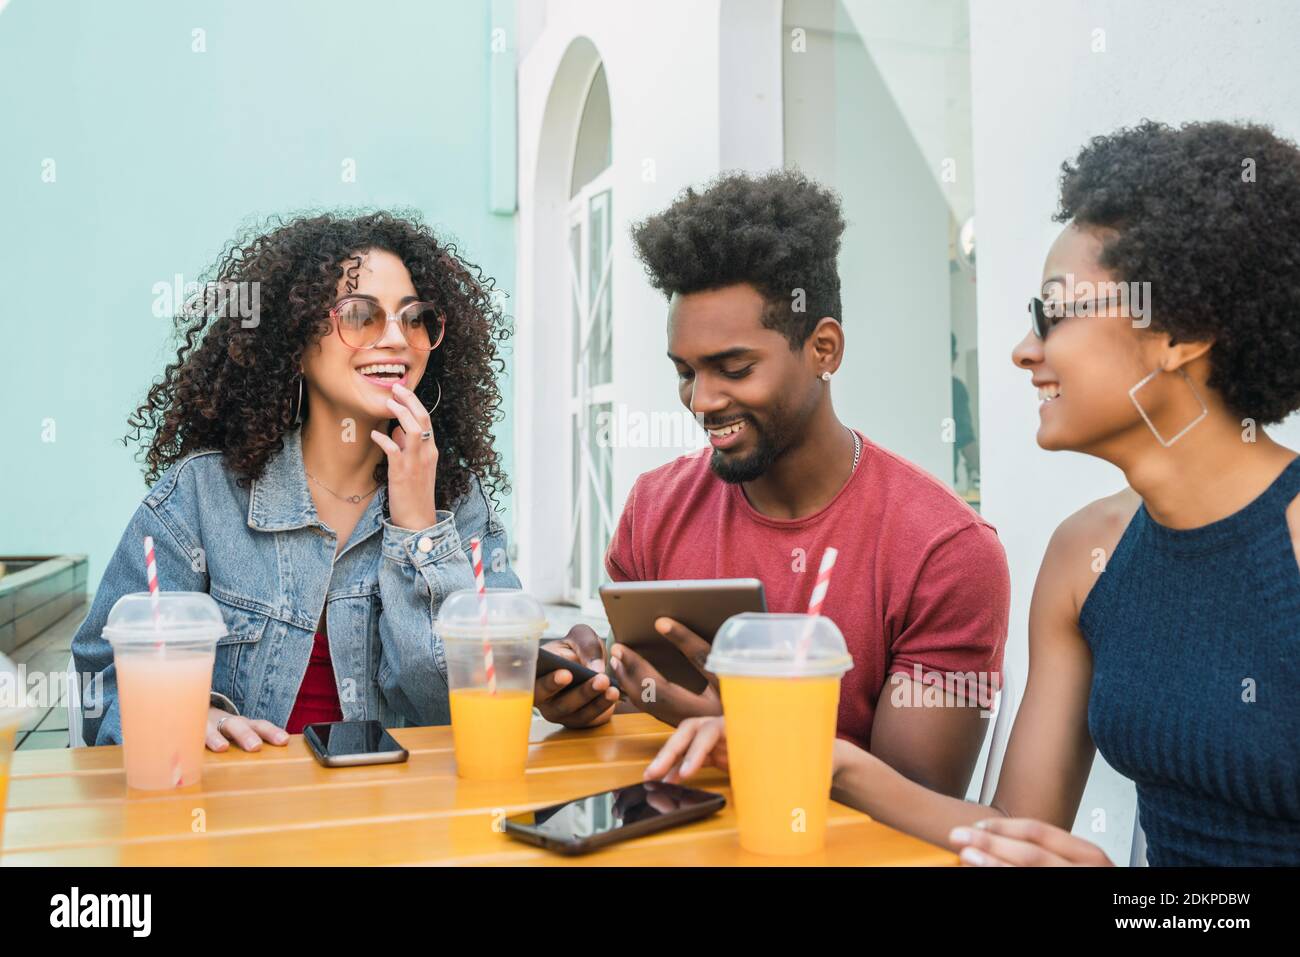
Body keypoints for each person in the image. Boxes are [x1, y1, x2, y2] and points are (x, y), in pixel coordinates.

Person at [646, 121, 1300, 866]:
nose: (1025, 349)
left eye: (1054, 317)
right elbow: (1013, 830)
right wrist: (816, 755)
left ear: (1181, 336)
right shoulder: (1084, 556)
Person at [536, 170, 1011, 799]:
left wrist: (749, 733)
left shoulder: (945, 553)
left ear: (824, 349)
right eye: (685, 372)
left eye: (734, 369)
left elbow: (917, 805)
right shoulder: (656, 508)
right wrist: (590, 692)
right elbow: (643, 717)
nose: (702, 401)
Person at [73, 211, 596, 750]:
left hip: (402, 823)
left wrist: (419, 527)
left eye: (414, 318)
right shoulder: (202, 497)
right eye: (361, 314)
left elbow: (462, 705)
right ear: (296, 339)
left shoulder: (459, 508)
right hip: (240, 822)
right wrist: (178, 714)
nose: (397, 337)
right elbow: (100, 679)